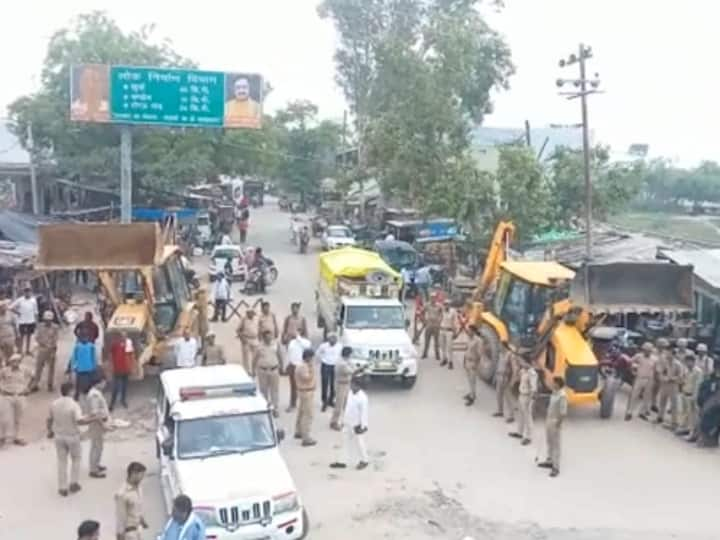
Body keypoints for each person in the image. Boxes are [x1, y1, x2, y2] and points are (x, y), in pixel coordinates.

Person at [47, 381, 88, 496]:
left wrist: (49, 431)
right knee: (76, 459)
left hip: (59, 435)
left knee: (61, 461)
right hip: (72, 436)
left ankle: (62, 487)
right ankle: (73, 483)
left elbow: (49, 419)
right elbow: (79, 420)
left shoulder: (54, 403)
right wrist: (91, 419)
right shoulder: (74, 405)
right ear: (71, 391)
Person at [330, 377, 370, 470]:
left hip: (356, 425)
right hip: (348, 422)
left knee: (359, 443)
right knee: (344, 442)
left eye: (353, 384)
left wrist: (363, 426)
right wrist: (343, 421)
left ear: (358, 386)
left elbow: (364, 413)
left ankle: (364, 460)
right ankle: (342, 461)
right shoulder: (350, 393)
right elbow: (347, 408)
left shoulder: (363, 398)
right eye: (351, 384)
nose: (351, 386)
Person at [537, 376, 568, 478]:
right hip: (549, 420)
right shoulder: (554, 392)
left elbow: (563, 412)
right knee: (549, 442)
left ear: (558, 384)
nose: (552, 384)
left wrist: (558, 423)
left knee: (556, 445)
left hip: (555, 421)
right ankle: (549, 460)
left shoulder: (562, 395)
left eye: (554, 382)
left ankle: (556, 467)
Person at [0, 353, 31, 446]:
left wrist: (28, 387)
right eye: (13, 361)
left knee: (19, 418)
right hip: (7, 395)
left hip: (20, 395)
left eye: (17, 361)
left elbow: (33, 377)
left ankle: (17, 437)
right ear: (10, 362)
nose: (15, 363)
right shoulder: (4, 371)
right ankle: (2, 436)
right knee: (5, 418)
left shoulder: (25, 370)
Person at [655, 341, 685, 429]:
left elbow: (681, 375)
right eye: (667, 353)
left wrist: (673, 379)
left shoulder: (678, 364)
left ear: (674, 354)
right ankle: (660, 417)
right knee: (662, 401)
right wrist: (664, 378)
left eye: (670, 353)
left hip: (673, 385)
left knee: (674, 404)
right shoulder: (664, 362)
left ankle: (674, 422)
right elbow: (660, 372)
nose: (668, 355)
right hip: (664, 384)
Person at [115, 461, 148, 540]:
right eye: (142, 475)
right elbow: (120, 517)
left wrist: (142, 520)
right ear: (134, 474)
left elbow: (138, 507)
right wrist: (120, 536)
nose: (143, 478)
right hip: (129, 533)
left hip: (138, 530)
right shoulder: (122, 494)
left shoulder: (139, 487)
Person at [509, 354, 537, 445]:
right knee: (520, 415)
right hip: (521, 395)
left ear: (526, 362)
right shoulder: (523, 371)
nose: (520, 362)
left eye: (522, 361)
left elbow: (534, 389)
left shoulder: (532, 373)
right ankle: (519, 432)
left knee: (528, 417)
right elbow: (518, 380)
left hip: (527, 397)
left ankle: (529, 437)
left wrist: (530, 401)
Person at [624, 342, 657, 421]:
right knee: (634, 395)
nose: (647, 352)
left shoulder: (655, 359)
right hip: (639, 378)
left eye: (649, 350)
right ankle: (629, 412)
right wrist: (632, 371)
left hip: (649, 379)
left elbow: (656, 369)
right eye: (646, 350)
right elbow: (630, 362)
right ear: (643, 350)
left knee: (646, 397)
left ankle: (642, 412)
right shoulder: (638, 356)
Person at [86, 375, 110, 478]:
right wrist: (103, 424)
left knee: (98, 446)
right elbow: (95, 413)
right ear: (99, 382)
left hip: (97, 423)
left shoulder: (95, 393)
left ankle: (96, 464)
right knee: (96, 447)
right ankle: (93, 470)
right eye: (104, 382)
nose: (105, 384)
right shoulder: (94, 395)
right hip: (97, 424)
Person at [255, 330, 282, 416]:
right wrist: (253, 370)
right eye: (267, 337)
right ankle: (265, 408)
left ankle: (275, 408)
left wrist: (282, 366)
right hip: (263, 370)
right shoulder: (259, 346)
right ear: (263, 338)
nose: (269, 339)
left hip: (274, 370)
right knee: (264, 390)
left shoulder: (275, 345)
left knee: (274, 390)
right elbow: (255, 358)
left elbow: (279, 355)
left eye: (270, 336)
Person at [31, 310, 59, 392]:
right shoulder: (40, 326)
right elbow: (37, 337)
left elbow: (56, 338)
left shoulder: (55, 327)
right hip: (42, 349)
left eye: (49, 320)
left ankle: (50, 384)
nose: (48, 322)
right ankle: (35, 384)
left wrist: (52, 347)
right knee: (38, 368)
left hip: (51, 350)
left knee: (51, 368)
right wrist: (44, 343)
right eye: (47, 320)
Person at [677, 353, 703, 437]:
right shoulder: (686, 370)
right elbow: (683, 381)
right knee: (684, 413)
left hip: (692, 396)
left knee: (692, 416)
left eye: (689, 361)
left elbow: (698, 385)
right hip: (684, 393)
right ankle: (684, 428)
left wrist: (694, 397)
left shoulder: (698, 371)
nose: (687, 363)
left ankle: (692, 433)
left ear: (693, 361)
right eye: (686, 361)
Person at [295, 348, 317, 446]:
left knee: (301, 412)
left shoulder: (302, 365)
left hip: (304, 391)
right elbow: (307, 378)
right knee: (308, 415)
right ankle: (306, 437)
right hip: (306, 391)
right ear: (308, 357)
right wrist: (312, 369)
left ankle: (299, 431)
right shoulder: (304, 367)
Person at [286, 328, 311, 412]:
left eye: (298, 331)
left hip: (302, 366)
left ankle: (304, 405)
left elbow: (307, 347)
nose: (294, 332)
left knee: (303, 386)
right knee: (293, 386)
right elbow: (289, 353)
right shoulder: (292, 342)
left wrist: (298, 337)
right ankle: (292, 404)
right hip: (293, 365)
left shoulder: (306, 342)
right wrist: (288, 364)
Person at [331, 346, 356, 430]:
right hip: (340, 384)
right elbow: (351, 371)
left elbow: (353, 367)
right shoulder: (341, 363)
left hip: (346, 384)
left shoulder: (346, 360)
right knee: (339, 404)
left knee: (346, 404)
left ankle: (343, 421)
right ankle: (334, 422)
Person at [317, 333, 342, 411]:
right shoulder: (323, 346)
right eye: (331, 338)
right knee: (325, 383)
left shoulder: (340, 346)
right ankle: (324, 401)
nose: (333, 340)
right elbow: (318, 353)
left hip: (335, 366)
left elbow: (341, 355)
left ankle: (331, 400)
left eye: (334, 339)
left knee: (333, 384)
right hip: (326, 365)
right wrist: (323, 359)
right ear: (328, 339)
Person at [70, 333, 98, 400]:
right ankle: (77, 394)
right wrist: (73, 366)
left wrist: (94, 366)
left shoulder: (91, 346)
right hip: (80, 367)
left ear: (88, 338)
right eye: (83, 337)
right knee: (78, 383)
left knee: (90, 382)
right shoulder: (77, 347)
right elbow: (74, 357)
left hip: (89, 367)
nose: (84, 339)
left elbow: (94, 357)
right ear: (80, 338)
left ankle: (89, 393)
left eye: (86, 337)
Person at [109, 333, 134, 410]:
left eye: (125, 336)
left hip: (125, 369)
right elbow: (111, 355)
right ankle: (112, 403)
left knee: (124, 386)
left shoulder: (128, 344)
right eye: (123, 336)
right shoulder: (115, 344)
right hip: (117, 369)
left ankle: (122, 400)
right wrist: (111, 366)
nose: (124, 337)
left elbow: (131, 356)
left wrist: (131, 367)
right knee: (115, 387)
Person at [11, 287, 38, 355]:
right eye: (26, 292)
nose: (27, 293)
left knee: (29, 336)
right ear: (24, 293)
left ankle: (27, 350)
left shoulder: (33, 300)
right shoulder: (20, 300)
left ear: (30, 292)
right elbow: (11, 307)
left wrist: (36, 321)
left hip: (31, 321)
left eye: (29, 292)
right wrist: (18, 312)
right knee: (21, 336)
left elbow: (36, 312)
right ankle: (20, 350)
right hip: (22, 321)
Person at [493, 350, 515, 422]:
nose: (500, 346)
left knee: (508, 397)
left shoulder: (510, 355)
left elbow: (514, 369)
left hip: (505, 378)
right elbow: (498, 365)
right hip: (499, 376)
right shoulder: (500, 353)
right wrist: (495, 376)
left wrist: (512, 381)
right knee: (498, 395)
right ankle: (500, 411)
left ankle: (511, 415)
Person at [463, 326, 483, 406]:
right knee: (469, 380)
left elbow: (480, 354)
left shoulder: (478, 341)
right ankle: (471, 393)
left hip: (473, 362)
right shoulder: (469, 339)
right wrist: (464, 361)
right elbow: (467, 349)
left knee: (472, 380)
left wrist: (477, 364)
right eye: (468, 330)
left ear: (474, 331)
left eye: (470, 331)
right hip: (467, 360)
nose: (468, 332)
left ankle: (472, 397)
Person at [236, 309, 260, 375]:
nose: (251, 314)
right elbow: (238, 330)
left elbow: (259, 329)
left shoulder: (256, 319)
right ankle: (247, 371)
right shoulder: (243, 319)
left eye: (252, 313)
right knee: (246, 357)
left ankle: (254, 370)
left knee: (255, 356)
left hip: (255, 339)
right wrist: (242, 338)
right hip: (246, 339)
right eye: (249, 313)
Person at [421, 294, 442, 360]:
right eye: (431, 298)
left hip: (436, 325)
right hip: (429, 324)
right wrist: (424, 321)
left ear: (436, 298)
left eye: (434, 298)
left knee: (436, 341)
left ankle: (437, 355)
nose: (433, 299)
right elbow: (422, 312)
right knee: (427, 340)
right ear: (430, 298)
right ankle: (425, 353)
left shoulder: (439, 305)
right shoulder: (427, 305)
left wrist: (439, 321)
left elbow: (442, 314)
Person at [439, 300, 457, 369]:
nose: (446, 305)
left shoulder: (453, 312)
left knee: (449, 347)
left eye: (447, 304)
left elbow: (455, 322)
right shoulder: (443, 311)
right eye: (445, 304)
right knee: (442, 346)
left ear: (450, 305)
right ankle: (444, 359)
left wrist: (455, 332)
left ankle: (450, 362)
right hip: (442, 330)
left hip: (449, 331)